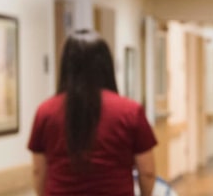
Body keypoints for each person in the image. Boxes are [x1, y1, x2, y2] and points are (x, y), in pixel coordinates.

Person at [28, 30, 157, 196]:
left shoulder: (46, 112)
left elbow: (39, 171)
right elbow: (147, 172)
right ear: (106, 65)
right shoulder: (130, 111)